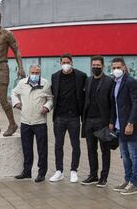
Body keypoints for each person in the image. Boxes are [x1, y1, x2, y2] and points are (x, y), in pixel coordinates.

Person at [111, 57, 137, 195]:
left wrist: (130, 123)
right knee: (125, 156)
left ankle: (134, 183)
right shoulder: (115, 82)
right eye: (114, 67)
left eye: (118, 67)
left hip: (130, 125)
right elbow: (115, 105)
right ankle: (127, 180)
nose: (116, 70)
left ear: (124, 67)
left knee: (134, 155)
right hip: (119, 125)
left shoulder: (131, 82)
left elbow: (136, 104)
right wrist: (112, 122)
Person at [12, 65, 53, 182]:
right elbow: (13, 92)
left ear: (40, 73)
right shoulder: (22, 83)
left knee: (42, 149)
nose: (35, 75)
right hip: (25, 121)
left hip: (40, 122)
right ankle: (26, 171)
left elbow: (50, 99)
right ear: (29, 73)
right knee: (27, 148)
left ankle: (41, 173)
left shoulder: (45, 83)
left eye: (37, 73)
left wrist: (47, 107)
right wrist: (16, 103)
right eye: (33, 72)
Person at [49, 53, 87, 183]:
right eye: (63, 63)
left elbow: (85, 95)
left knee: (75, 144)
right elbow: (52, 94)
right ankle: (59, 171)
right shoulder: (55, 77)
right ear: (60, 63)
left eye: (68, 62)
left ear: (72, 62)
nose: (66, 65)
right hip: (59, 117)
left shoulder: (81, 76)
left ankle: (73, 171)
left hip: (74, 117)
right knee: (58, 145)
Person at [80, 56, 115, 187]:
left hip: (102, 121)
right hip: (88, 120)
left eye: (98, 65)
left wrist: (112, 121)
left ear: (103, 66)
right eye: (93, 65)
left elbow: (113, 103)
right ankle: (93, 175)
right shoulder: (88, 80)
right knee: (91, 149)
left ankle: (103, 177)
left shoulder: (109, 81)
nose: (95, 67)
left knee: (105, 150)